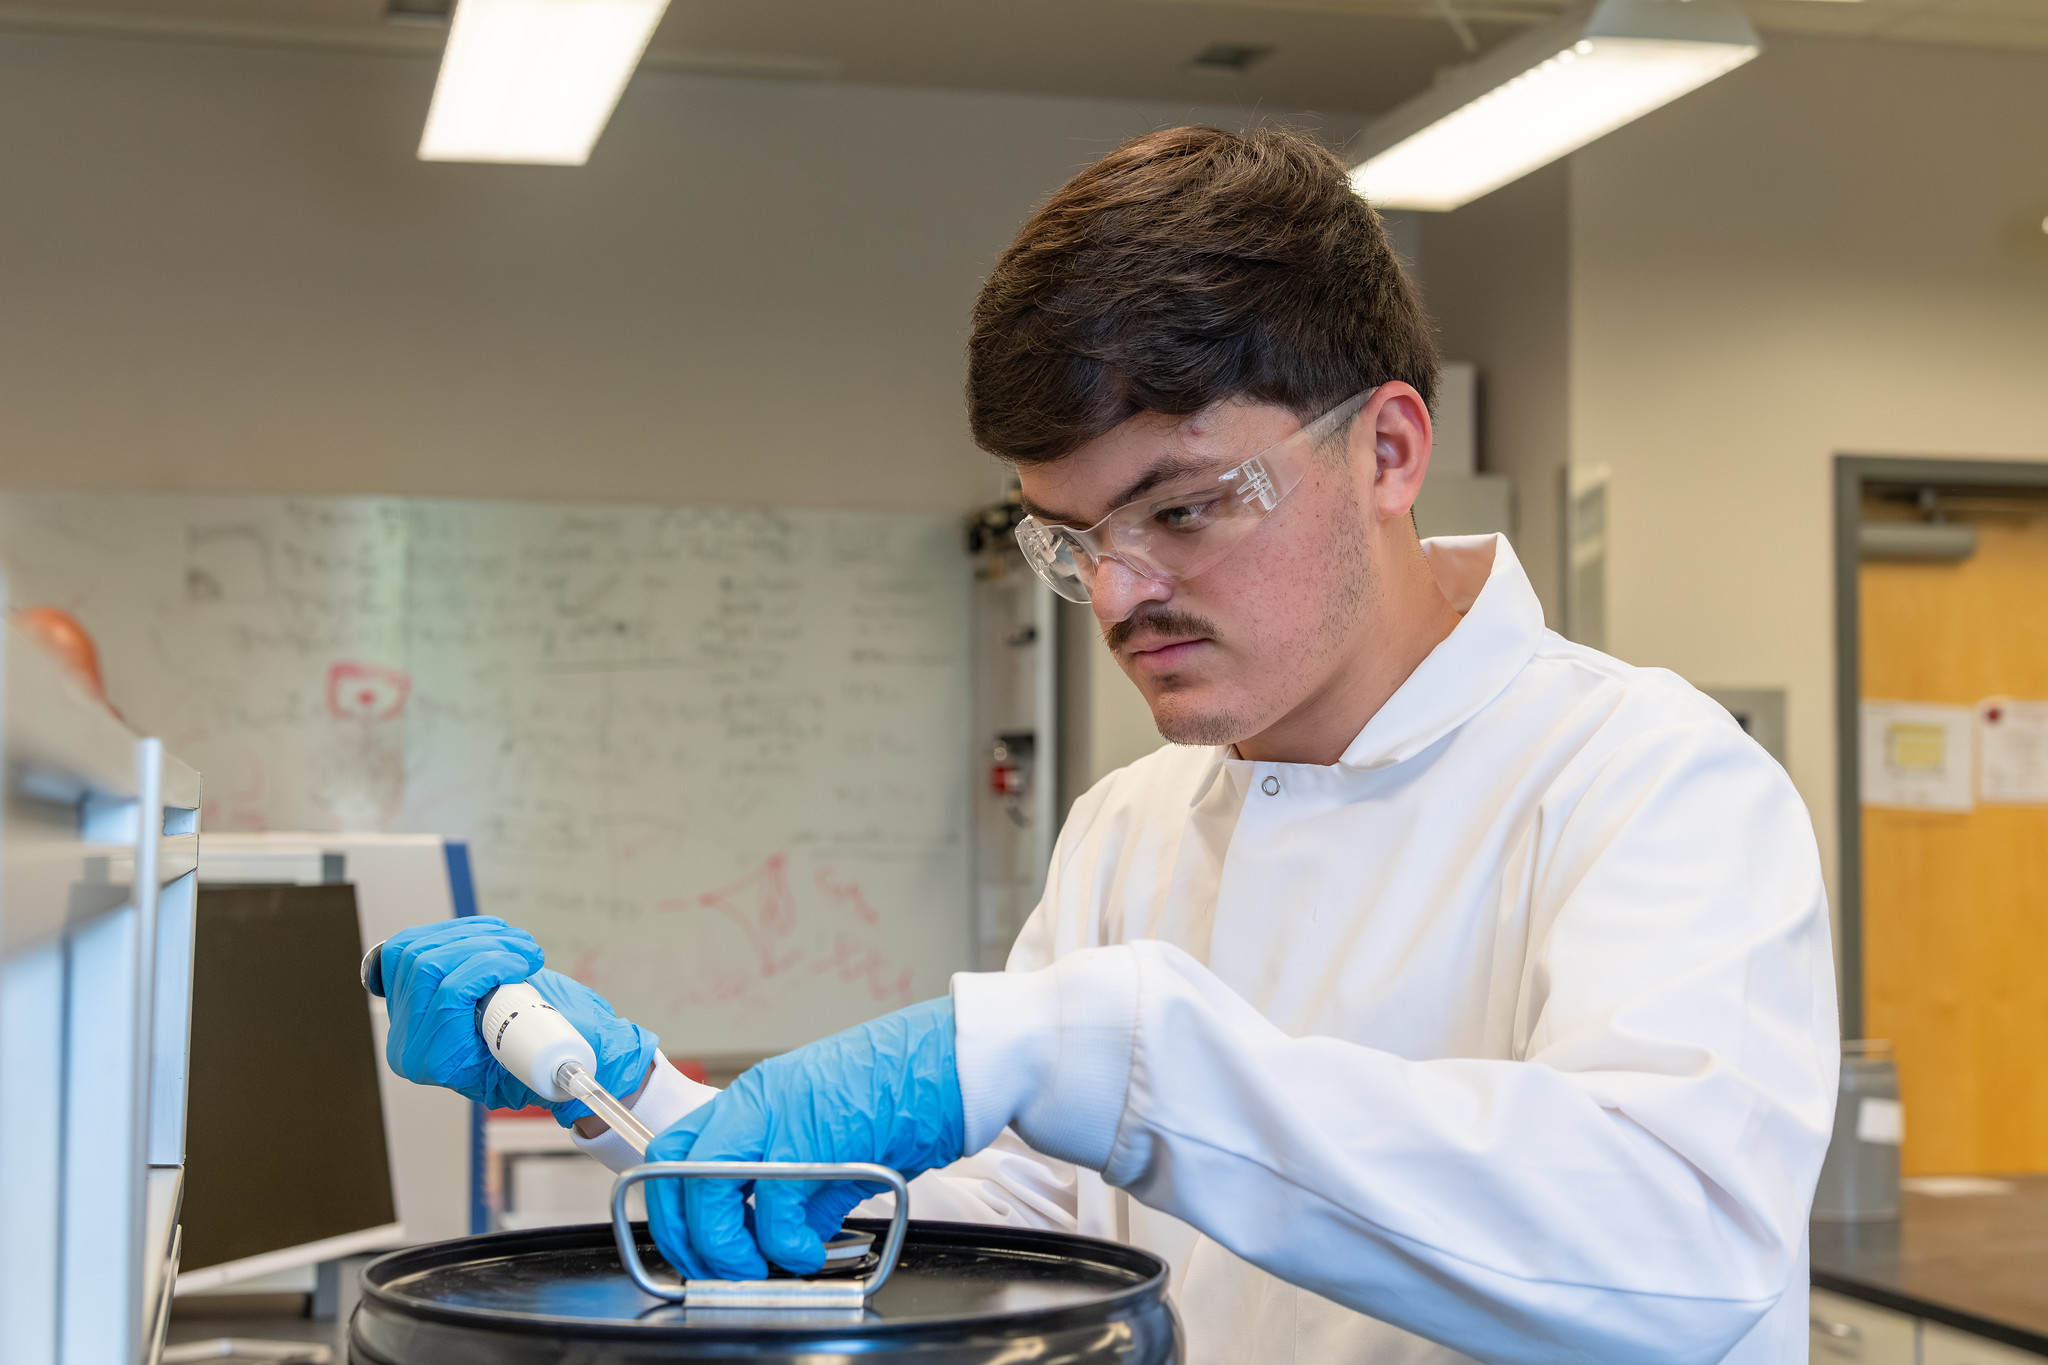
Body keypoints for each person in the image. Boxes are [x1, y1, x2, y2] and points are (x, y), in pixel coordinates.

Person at [378, 125, 1837, 1363]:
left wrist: (1088, 1040)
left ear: (1389, 449)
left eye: (1183, 506)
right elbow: (1019, 1229)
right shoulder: (1137, 820)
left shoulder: (1651, 778)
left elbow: (1680, 1244)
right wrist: (643, 1100)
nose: (1121, 592)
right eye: (1071, 538)